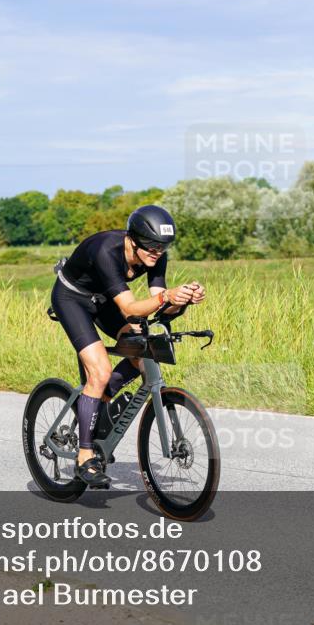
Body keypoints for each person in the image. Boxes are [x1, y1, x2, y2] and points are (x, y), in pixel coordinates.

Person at [50, 204, 206, 487]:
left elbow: (158, 303)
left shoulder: (155, 255)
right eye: (150, 246)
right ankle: (85, 457)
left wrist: (180, 300)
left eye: (162, 247)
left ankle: (104, 394)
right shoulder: (106, 251)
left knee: (142, 350)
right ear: (132, 239)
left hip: (104, 301)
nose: (156, 253)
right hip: (72, 299)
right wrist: (166, 298)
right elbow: (132, 307)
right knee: (99, 370)